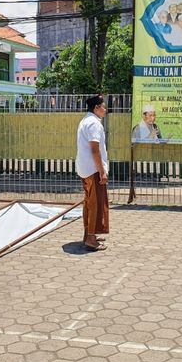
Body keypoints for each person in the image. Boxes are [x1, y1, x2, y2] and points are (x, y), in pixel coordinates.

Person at [76, 94, 110, 251]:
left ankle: (88, 233)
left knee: (89, 203)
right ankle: (91, 238)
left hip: (85, 168)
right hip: (92, 169)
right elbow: (95, 150)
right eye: (103, 106)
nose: (105, 109)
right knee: (95, 203)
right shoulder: (94, 123)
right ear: (96, 108)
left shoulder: (85, 120)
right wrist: (102, 171)